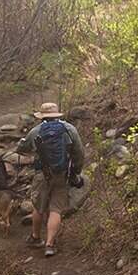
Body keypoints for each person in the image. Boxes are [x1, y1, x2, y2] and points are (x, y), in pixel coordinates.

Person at [17, 102, 85, 257]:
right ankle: (49, 245)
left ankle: (35, 237)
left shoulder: (36, 131)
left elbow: (22, 149)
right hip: (62, 174)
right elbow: (79, 153)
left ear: (42, 116)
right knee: (56, 209)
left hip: (42, 174)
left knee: (38, 207)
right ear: (57, 114)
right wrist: (76, 172)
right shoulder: (69, 129)